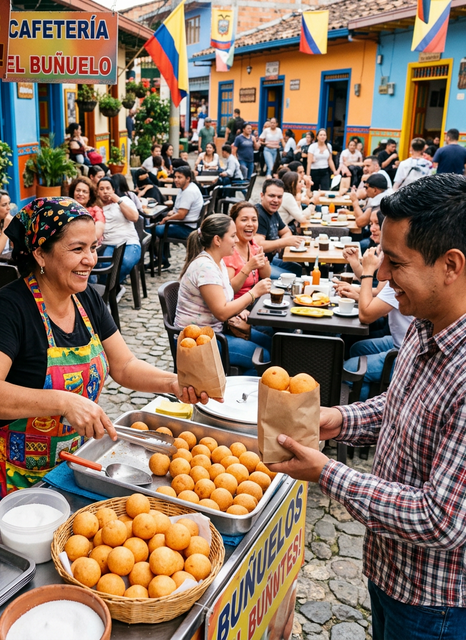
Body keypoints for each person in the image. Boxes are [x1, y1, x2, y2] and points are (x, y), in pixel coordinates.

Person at [268, 174, 466, 639]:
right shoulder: (427, 323)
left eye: (395, 263)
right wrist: (336, 420)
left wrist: (326, 473)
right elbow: (399, 406)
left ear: (451, 265)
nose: (381, 277)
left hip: (435, 604)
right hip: (392, 572)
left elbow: (440, 520)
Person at [0, 196, 209, 518]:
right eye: (77, 249)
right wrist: (64, 402)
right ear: (40, 253)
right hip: (11, 469)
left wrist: (173, 382)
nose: (90, 259)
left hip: (69, 462)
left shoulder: (87, 299)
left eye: (93, 247)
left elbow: (124, 366)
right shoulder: (9, 308)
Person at [175, 214, 272, 370]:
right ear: (217, 240)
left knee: (270, 341)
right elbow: (221, 312)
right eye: (232, 236)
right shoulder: (205, 268)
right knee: (264, 357)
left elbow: (224, 300)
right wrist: (253, 293)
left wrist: (238, 310)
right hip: (199, 341)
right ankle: (238, 392)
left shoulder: (218, 261)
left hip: (215, 332)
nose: (236, 240)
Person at [342, 243, 413, 401]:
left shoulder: (401, 278)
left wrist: (368, 271)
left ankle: (367, 407)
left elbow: (366, 315)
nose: (380, 274)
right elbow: (380, 299)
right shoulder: (403, 272)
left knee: (349, 369)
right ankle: (375, 389)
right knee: (357, 348)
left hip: (406, 351)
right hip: (401, 340)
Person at [155, 166, 204, 269]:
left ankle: (160, 260)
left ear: (188, 178)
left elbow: (181, 215)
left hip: (186, 228)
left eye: (179, 177)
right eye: (175, 177)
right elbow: (178, 209)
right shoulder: (186, 188)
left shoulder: (188, 192)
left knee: (155, 229)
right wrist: (170, 214)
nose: (176, 180)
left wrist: (166, 219)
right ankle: (162, 259)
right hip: (186, 223)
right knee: (157, 220)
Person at [254, 178, 303, 278]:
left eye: (279, 197)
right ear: (262, 196)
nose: (276, 200)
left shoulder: (273, 212)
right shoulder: (258, 214)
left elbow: (286, 232)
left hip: (271, 260)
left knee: (298, 269)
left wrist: (280, 244)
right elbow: (259, 245)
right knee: (292, 277)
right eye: (271, 196)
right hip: (258, 265)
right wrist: (284, 243)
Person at [96, 178, 141, 283]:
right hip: (108, 244)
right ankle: (108, 291)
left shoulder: (124, 200)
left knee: (125, 262)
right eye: (101, 189)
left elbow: (134, 217)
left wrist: (118, 200)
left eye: (108, 188)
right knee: (105, 266)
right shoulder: (97, 208)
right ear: (97, 192)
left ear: (113, 190)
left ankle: (110, 289)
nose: (105, 191)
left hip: (129, 243)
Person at [223, 201, 271, 300]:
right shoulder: (228, 250)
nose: (250, 224)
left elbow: (266, 276)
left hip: (254, 300)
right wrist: (248, 267)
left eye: (254, 220)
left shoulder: (252, 243)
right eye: (244, 220)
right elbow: (229, 290)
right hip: (237, 306)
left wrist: (263, 261)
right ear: (233, 223)